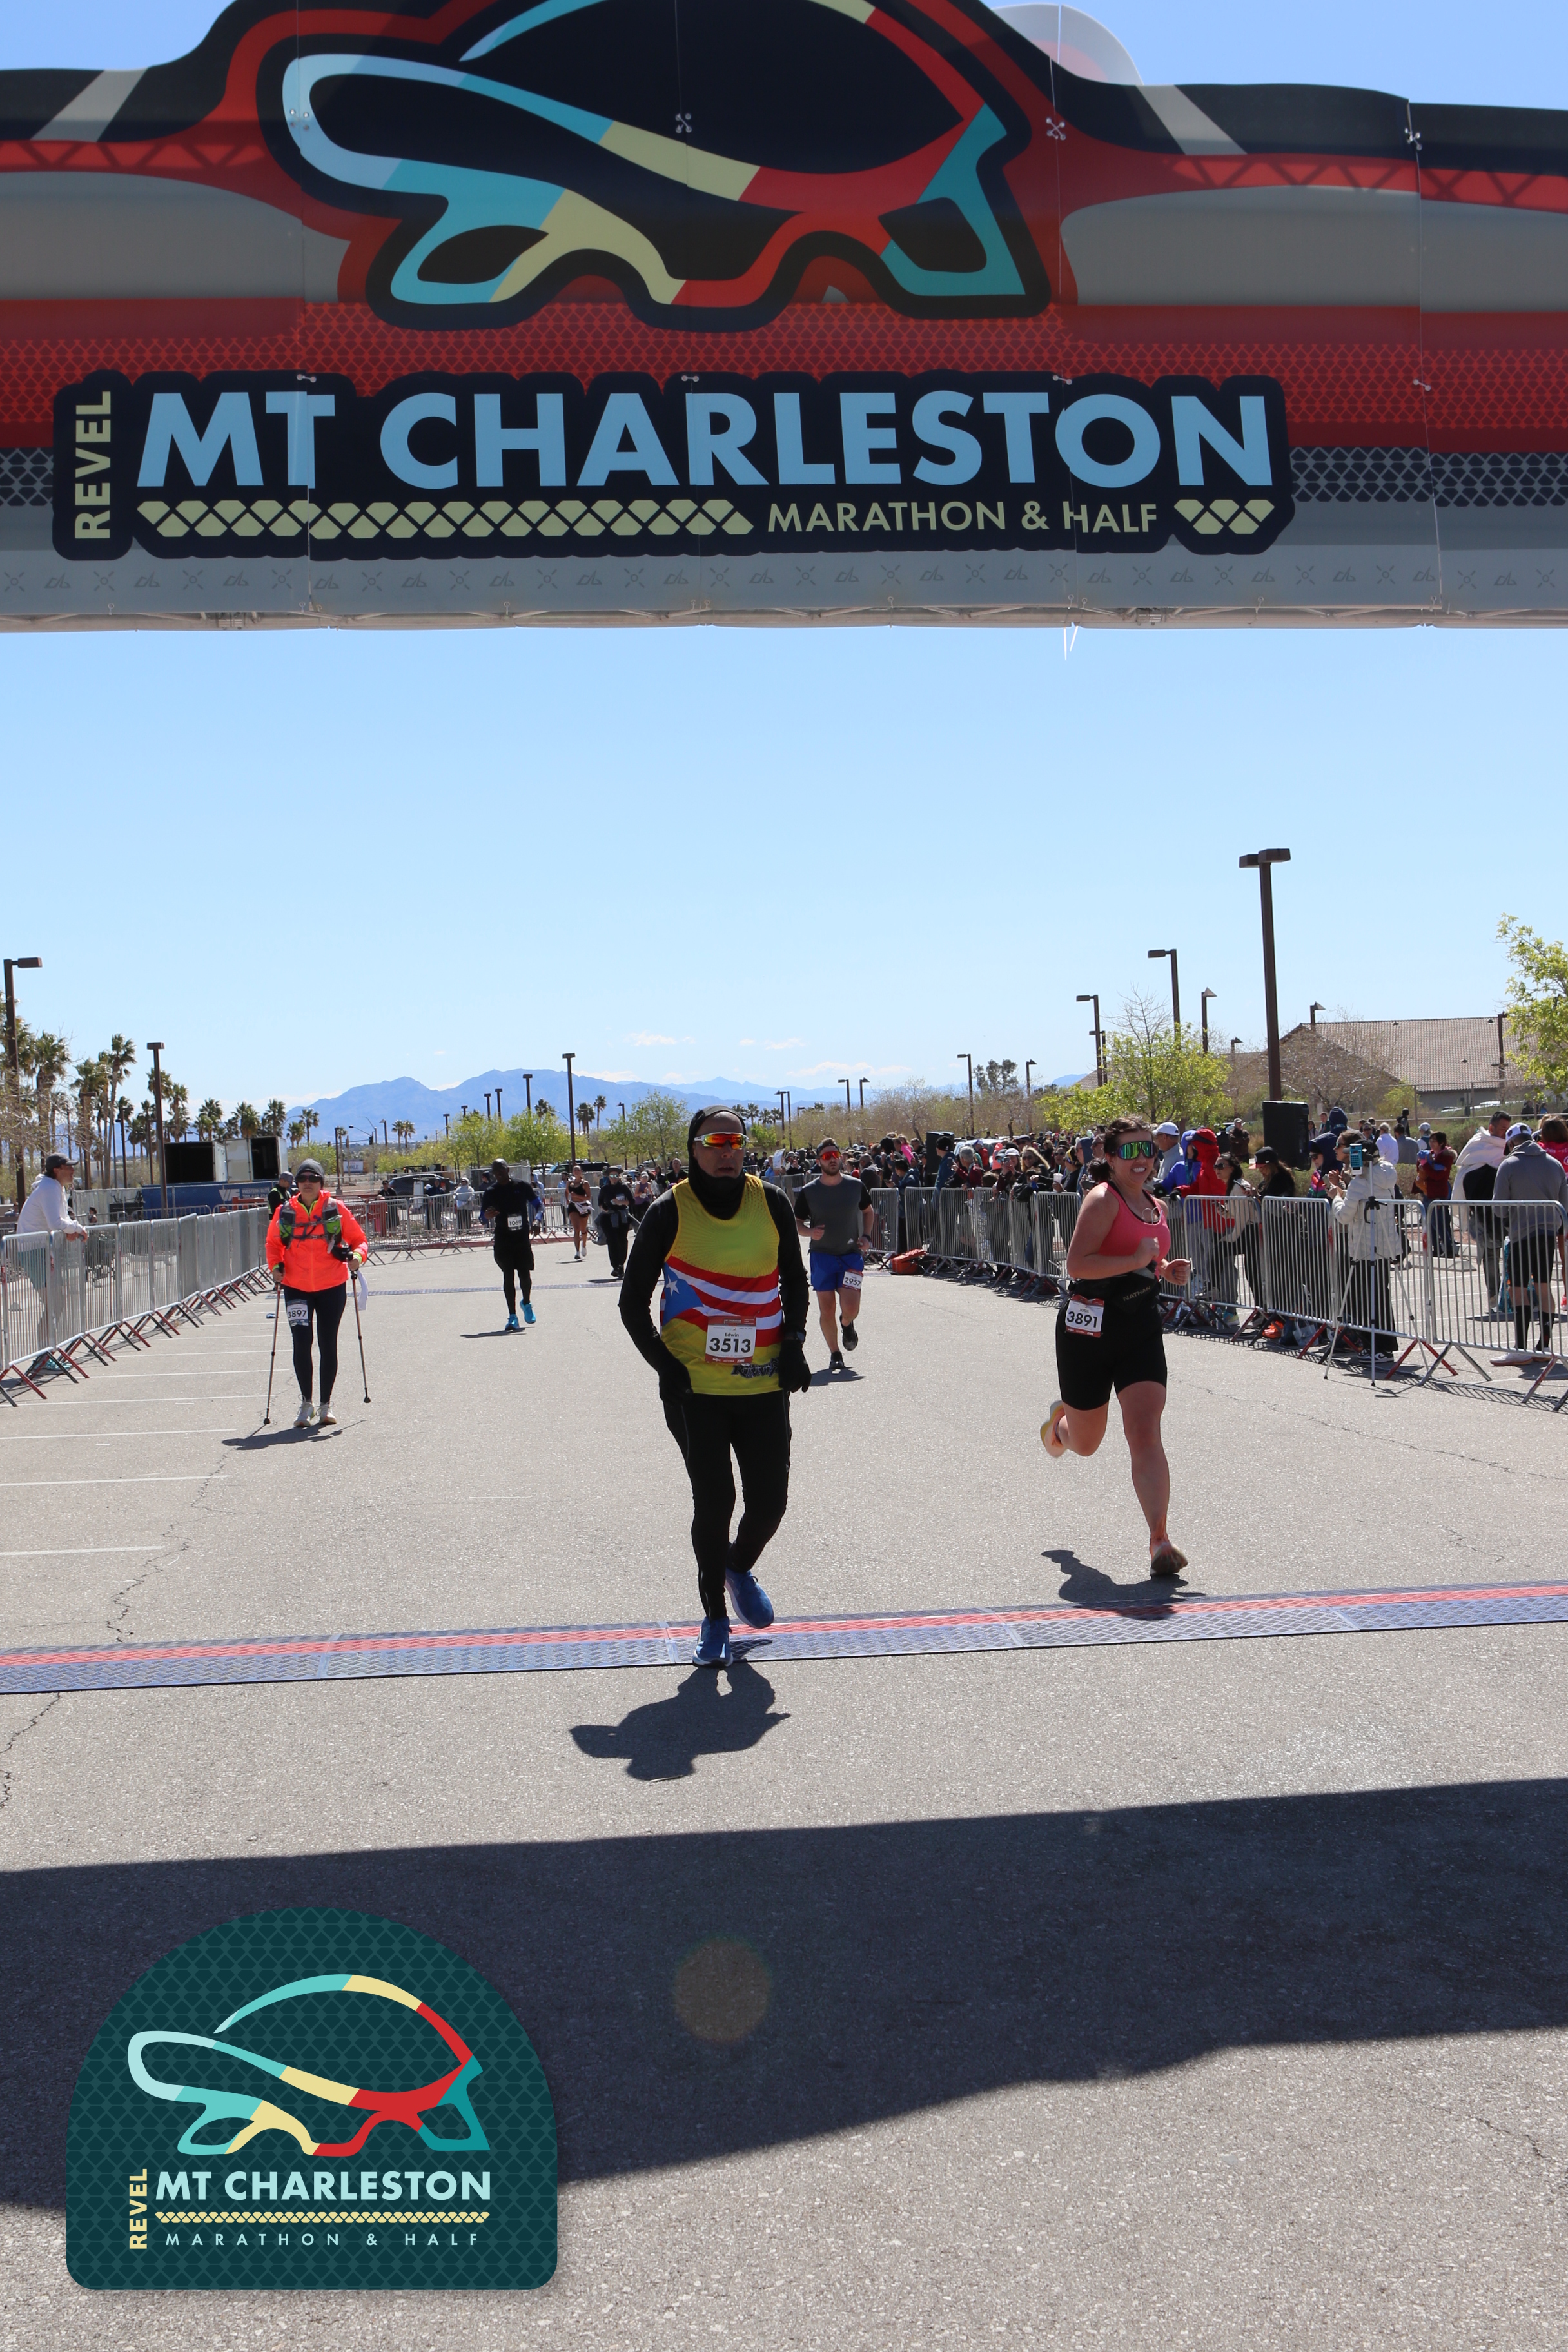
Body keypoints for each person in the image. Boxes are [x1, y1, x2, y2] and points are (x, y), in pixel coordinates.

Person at [619, 1110, 812, 1668]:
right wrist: (665, 1366)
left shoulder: (770, 1201)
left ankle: (737, 1566)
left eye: (736, 1142)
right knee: (715, 1501)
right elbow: (631, 1303)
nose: (727, 1151)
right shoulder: (668, 1210)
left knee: (770, 1504)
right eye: (715, 1142)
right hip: (694, 1389)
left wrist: (795, 1342)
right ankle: (715, 1618)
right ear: (694, 1149)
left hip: (762, 1382)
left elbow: (794, 1279)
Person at [1042, 1116, 1193, 1578]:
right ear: (1109, 1158)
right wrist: (1135, 1259)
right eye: (1129, 1151)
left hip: (1139, 1325)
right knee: (1086, 1444)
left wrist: (1164, 1269)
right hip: (1089, 1329)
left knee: (1145, 1430)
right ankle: (1060, 1427)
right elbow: (1077, 1264)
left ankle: (1159, 1539)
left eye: (1148, 1149)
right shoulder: (1103, 1199)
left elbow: (1145, 1258)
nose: (1141, 1159)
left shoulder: (1155, 1204)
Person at [265, 1158, 368, 1428]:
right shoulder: (285, 1211)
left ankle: (326, 1405)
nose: (307, 1183)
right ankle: (306, 1404)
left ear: (322, 1182)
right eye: (302, 1179)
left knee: (327, 1343)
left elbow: (360, 1240)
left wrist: (357, 1257)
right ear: (296, 1184)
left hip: (332, 1286)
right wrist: (275, 1267)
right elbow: (273, 1244)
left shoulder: (336, 1208)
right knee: (301, 1343)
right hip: (295, 1286)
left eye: (313, 1178)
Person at [794, 1137, 876, 1372]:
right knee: (827, 1308)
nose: (832, 1160)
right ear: (819, 1161)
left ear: (841, 1158)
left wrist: (867, 1236)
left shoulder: (855, 1186)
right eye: (827, 1156)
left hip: (850, 1255)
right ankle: (835, 1353)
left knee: (851, 1308)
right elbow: (797, 1223)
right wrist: (810, 1232)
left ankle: (847, 1323)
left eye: (836, 1155)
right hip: (822, 1258)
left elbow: (868, 1211)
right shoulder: (810, 1191)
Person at [1493, 1123, 1568, 1358]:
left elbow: (1498, 1209)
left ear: (1511, 1143)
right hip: (1549, 1234)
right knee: (1544, 1288)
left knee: (1517, 1290)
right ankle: (1544, 1346)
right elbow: (1565, 1204)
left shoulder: (1509, 1165)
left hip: (1521, 1234)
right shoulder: (1555, 1164)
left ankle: (1520, 1348)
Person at [1325, 1132, 1400, 1355]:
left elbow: (1344, 1216)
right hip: (1384, 1246)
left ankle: (1377, 1347)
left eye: (1354, 1156)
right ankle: (1382, 1346)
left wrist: (1336, 1197)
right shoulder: (1385, 1174)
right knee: (1380, 1297)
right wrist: (1345, 1192)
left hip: (1364, 1248)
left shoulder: (1360, 1182)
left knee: (1365, 1300)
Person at [481, 1156, 541, 1328]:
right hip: (503, 1239)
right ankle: (512, 1316)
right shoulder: (491, 1192)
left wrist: (537, 1220)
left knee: (525, 1276)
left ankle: (527, 1303)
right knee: (508, 1276)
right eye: (495, 1172)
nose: (499, 1174)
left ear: (508, 1170)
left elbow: (539, 1205)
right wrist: (486, 1216)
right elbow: (482, 1217)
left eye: (501, 1170)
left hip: (521, 1238)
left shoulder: (522, 1186)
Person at [17, 1153, 87, 1240]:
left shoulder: (55, 1186)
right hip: (34, 1246)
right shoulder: (49, 1187)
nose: (73, 1170)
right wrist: (78, 1228)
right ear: (57, 1171)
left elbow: (64, 1217)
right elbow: (55, 1224)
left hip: (39, 1245)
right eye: (68, 1167)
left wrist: (71, 1230)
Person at [597, 1166, 636, 1277]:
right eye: (612, 1176)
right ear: (609, 1177)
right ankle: (615, 1267)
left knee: (622, 1240)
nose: (614, 1178)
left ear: (619, 1177)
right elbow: (600, 1201)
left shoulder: (624, 1187)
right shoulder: (605, 1188)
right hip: (609, 1217)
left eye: (616, 1176)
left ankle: (621, 1265)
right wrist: (604, 1208)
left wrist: (621, 1203)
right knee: (612, 1241)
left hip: (622, 1217)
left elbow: (632, 1201)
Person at [563, 1162, 593, 1259]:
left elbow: (588, 1197)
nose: (576, 1171)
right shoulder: (569, 1183)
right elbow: (566, 1192)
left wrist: (577, 1196)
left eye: (578, 1170)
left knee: (583, 1229)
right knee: (576, 1228)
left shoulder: (585, 1183)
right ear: (572, 1172)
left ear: (581, 1172)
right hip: (573, 1206)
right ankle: (577, 1252)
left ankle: (584, 1245)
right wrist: (567, 1199)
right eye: (575, 1170)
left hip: (583, 1206)